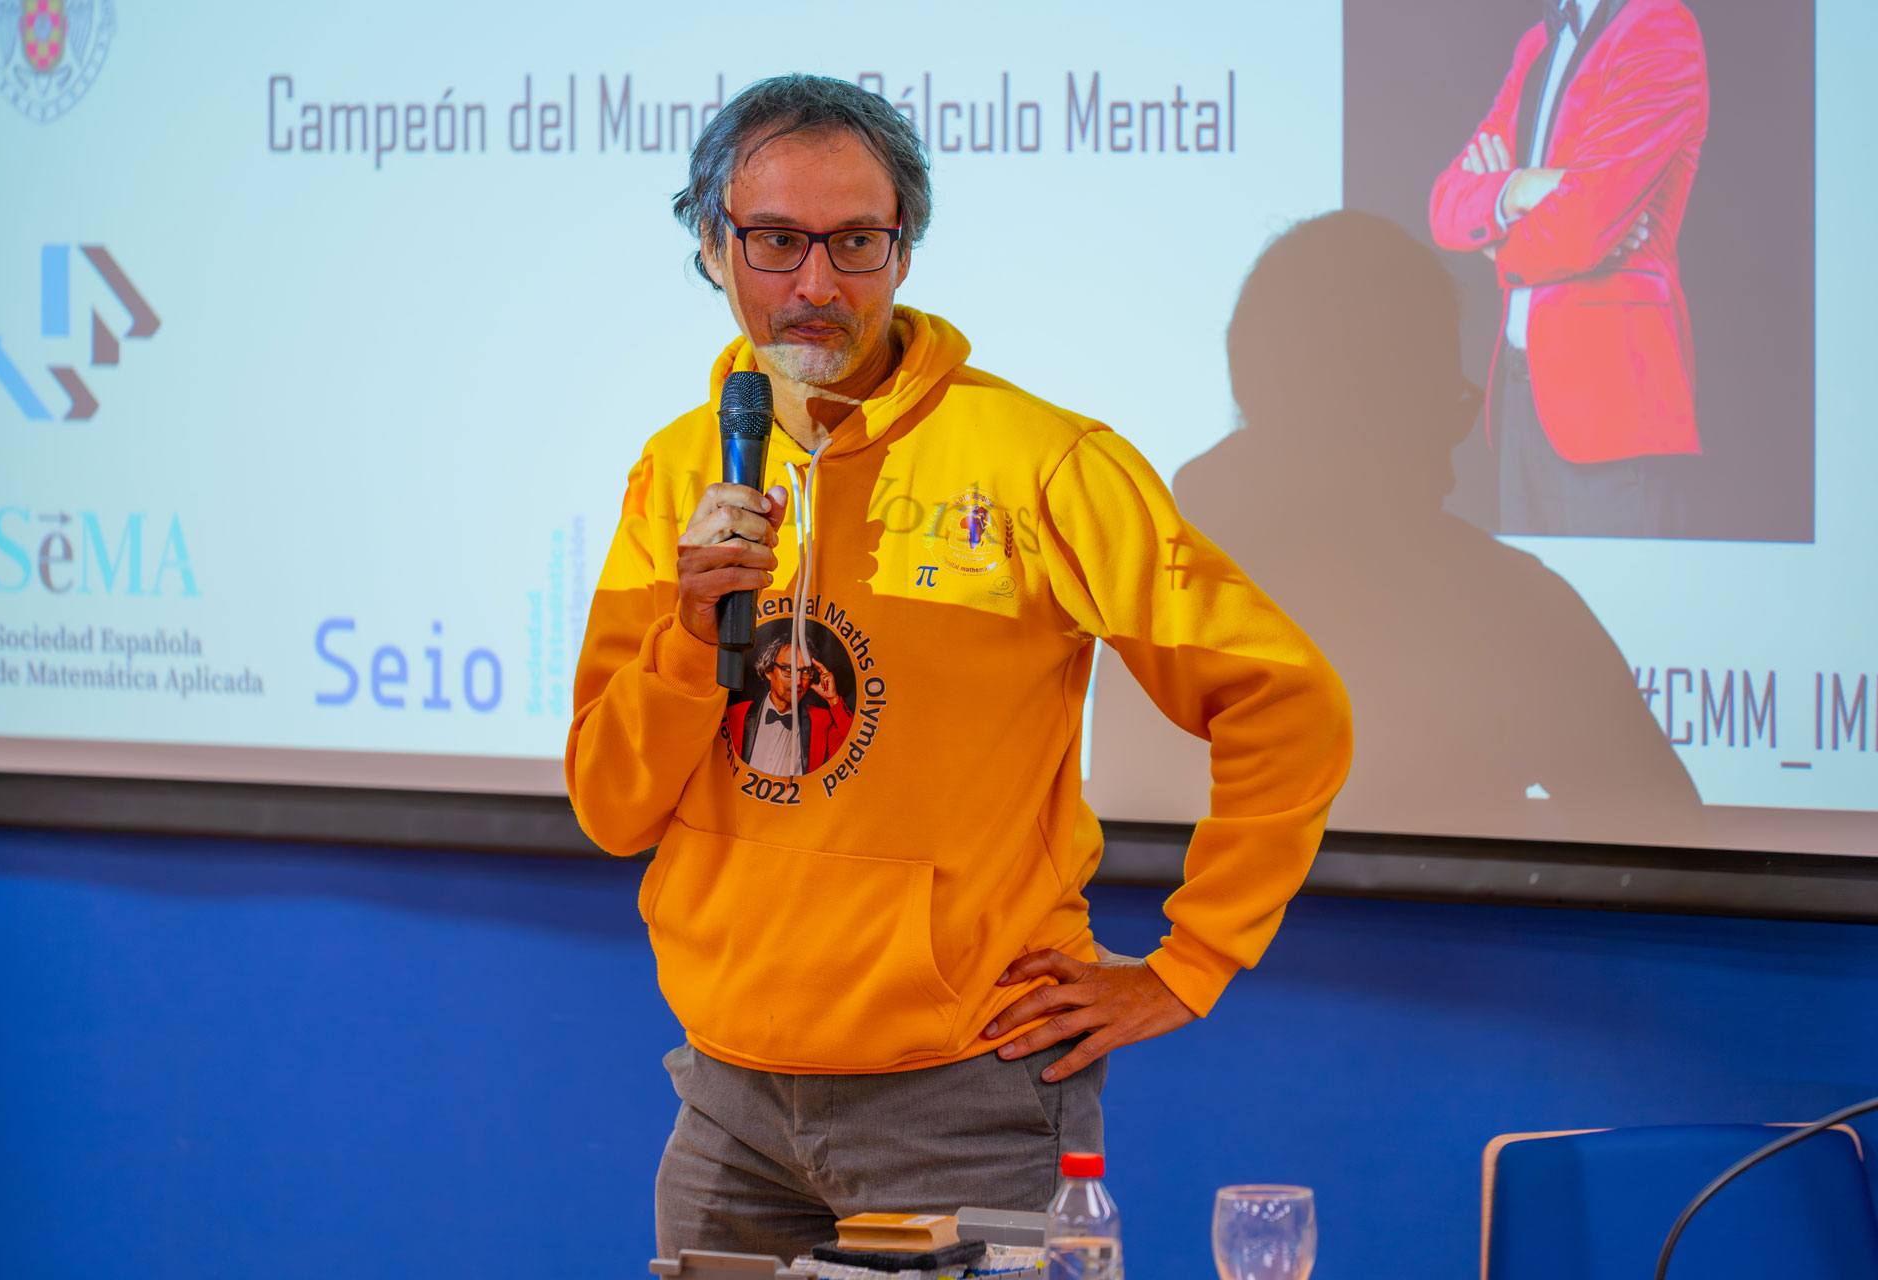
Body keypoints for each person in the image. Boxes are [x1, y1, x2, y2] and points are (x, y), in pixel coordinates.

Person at [564, 73, 1351, 1264]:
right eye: (776, 241)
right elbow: (611, 805)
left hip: (966, 1101)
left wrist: (1191, 963)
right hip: (725, 1096)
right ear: (715, 247)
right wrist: (688, 636)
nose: (816, 284)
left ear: (904, 250)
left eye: (856, 242)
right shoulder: (678, 470)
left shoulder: (1045, 463)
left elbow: (1284, 697)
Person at [1088, 211, 1704, 847]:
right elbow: (1679, 859)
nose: (1453, 456)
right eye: (1447, 404)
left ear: (1250, 388)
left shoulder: (1151, 599)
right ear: (1392, 408)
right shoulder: (1509, 612)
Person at [1427, 0, 1709, 537]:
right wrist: (1525, 186)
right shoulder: (1537, 43)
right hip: (1519, 397)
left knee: (1620, 615)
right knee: (1531, 618)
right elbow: (1445, 203)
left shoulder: (1660, 27)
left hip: (1613, 407)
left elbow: (1580, 227)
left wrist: (1496, 238)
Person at [726, 633, 851, 774]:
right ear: (768, 670)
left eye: (805, 672)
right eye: (788, 670)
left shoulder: (821, 720)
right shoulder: (736, 714)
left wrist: (833, 700)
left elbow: (857, 753)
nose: (798, 682)